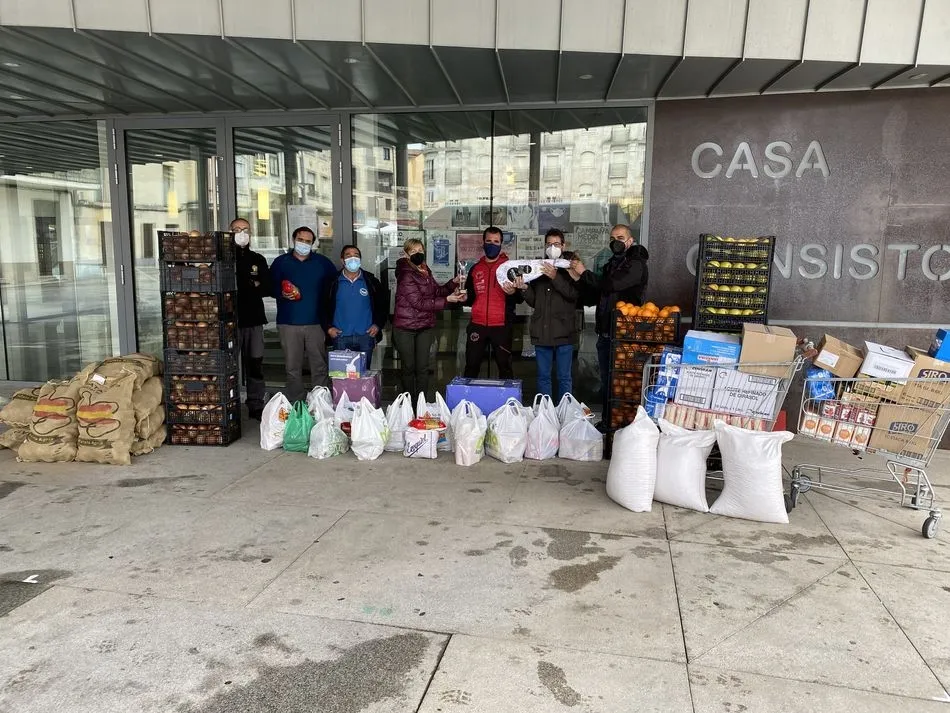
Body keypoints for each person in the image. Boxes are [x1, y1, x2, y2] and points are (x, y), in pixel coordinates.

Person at [571, 223, 649, 425]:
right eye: (613, 239)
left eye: (620, 238)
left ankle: (620, 424)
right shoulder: (610, 264)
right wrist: (578, 279)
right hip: (605, 332)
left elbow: (612, 285)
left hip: (624, 334)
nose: (616, 243)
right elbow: (596, 294)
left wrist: (584, 273)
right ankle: (607, 422)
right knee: (607, 381)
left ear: (630, 241)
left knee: (620, 383)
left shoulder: (636, 264)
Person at [269, 226, 336, 403]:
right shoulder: (281, 262)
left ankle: (320, 403)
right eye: (301, 240)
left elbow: (334, 288)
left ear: (313, 244)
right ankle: (297, 405)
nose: (304, 244)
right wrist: (281, 292)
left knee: (319, 366)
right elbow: (269, 286)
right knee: (292, 368)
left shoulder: (323, 263)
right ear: (293, 239)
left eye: (308, 241)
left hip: (316, 323)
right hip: (288, 323)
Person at [392, 237, 464, 398]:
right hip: (405, 328)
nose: (418, 254)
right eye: (413, 251)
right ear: (405, 254)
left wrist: (454, 282)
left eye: (420, 251)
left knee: (423, 368)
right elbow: (418, 303)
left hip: (424, 326)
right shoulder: (405, 274)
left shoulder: (424, 270)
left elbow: (436, 292)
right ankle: (409, 403)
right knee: (409, 367)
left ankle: (421, 402)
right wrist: (447, 300)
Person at [518, 228, 578, 400]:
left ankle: (565, 412)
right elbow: (534, 301)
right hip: (542, 332)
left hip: (564, 332)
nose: (553, 248)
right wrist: (524, 289)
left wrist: (555, 277)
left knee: (564, 377)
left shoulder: (570, 269)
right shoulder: (538, 269)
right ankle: (547, 413)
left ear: (563, 245)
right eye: (549, 244)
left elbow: (574, 295)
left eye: (556, 244)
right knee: (543, 378)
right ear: (545, 246)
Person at [463, 226, 521, 379]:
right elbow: (469, 298)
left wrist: (514, 292)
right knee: (471, 366)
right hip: (477, 324)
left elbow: (521, 297)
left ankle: (508, 402)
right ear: (483, 242)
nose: (492, 244)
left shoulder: (510, 268)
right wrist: (461, 298)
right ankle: (466, 402)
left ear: (501, 244)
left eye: (496, 241)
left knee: (505, 368)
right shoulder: (475, 269)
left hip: (501, 326)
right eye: (488, 241)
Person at [323, 244, 387, 371]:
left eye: (356, 256)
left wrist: (377, 325)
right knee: (342, 377)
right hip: (340, 336)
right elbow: (322, 307)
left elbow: (382, 306)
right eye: (348, 255)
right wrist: (328, 328)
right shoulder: (332, 282)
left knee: (363, 376)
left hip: (365, 335)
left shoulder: (370, 281)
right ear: (342, 260)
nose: (353, 258)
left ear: (360, 259)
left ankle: (361, 393)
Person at [231, 217, 271, 421]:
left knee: (255, 365)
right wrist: (251, 284)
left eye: (245, 229)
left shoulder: (257, 259)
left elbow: (267, 286)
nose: (241, 233)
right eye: (237, 229)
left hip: (254, 320)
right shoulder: (224, 260)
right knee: (230, 367)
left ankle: (255, 404)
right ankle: (230, 404)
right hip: (229, 323)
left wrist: (253, 284)